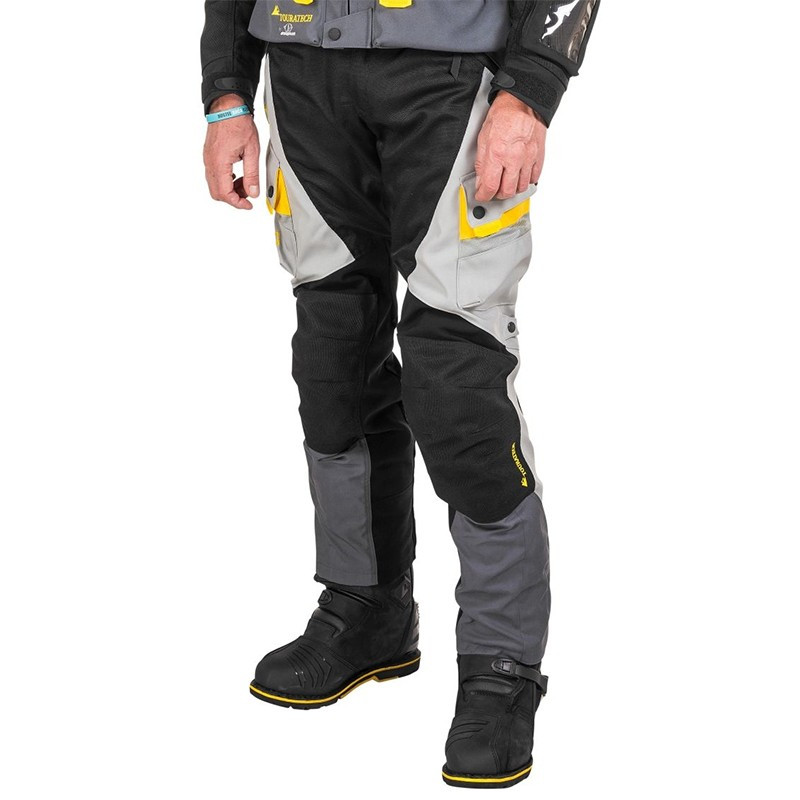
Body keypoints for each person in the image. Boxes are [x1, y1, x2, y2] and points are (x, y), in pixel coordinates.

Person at [201, 0, 599, 788]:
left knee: (457, 384)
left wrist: (530, 90)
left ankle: (501, 665)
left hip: (449, 85)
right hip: (302, 74)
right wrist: (227, 93)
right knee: (332, 366)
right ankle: (367, 609)